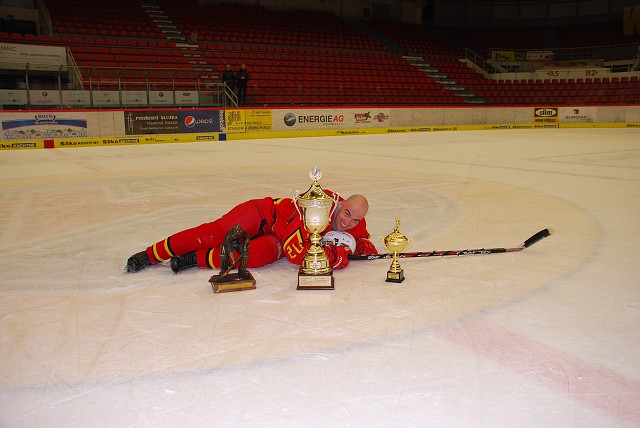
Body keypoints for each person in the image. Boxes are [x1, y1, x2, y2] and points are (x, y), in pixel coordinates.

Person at [125, 191, 378, 274]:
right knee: (213, 234)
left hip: (277, 235)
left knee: (253, 256)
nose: (347, 223)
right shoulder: (314, 209)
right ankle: (150, 255)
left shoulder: (356, 223)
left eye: (355, 219)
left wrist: (360, 246)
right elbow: (295, 254)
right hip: (262, 215)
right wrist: (336, 256)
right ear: (340, 205)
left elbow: (362, 241)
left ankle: (193, 259)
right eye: (346, 214)